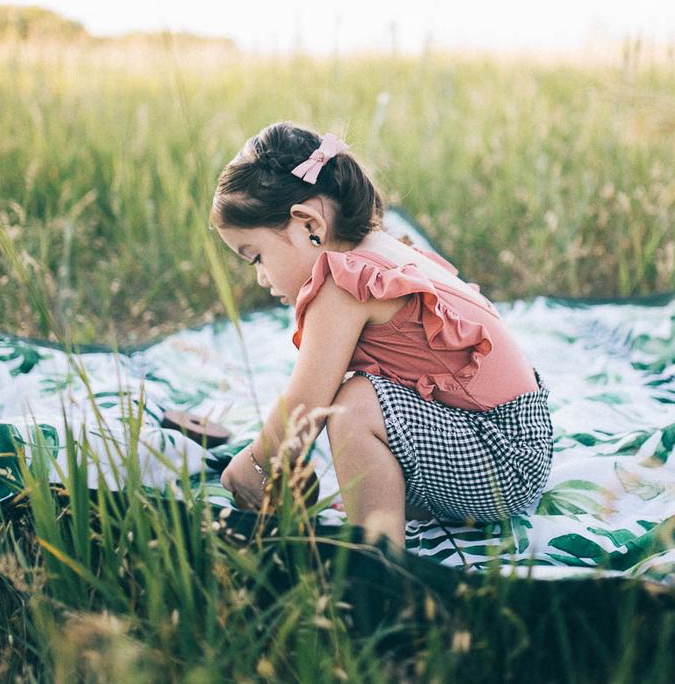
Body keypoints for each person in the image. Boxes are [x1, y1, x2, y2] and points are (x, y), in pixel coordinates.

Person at [211, 122, 554, 551]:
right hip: (520, 441)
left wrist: (255, 465)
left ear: (307, 223)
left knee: (353, 405)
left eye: (256, 257)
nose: (261, 277)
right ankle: (392, 500)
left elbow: (307, 403)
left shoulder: (342, 283)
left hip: (503, 462)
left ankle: (378, 558)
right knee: (369, 397)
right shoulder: (381, 249)